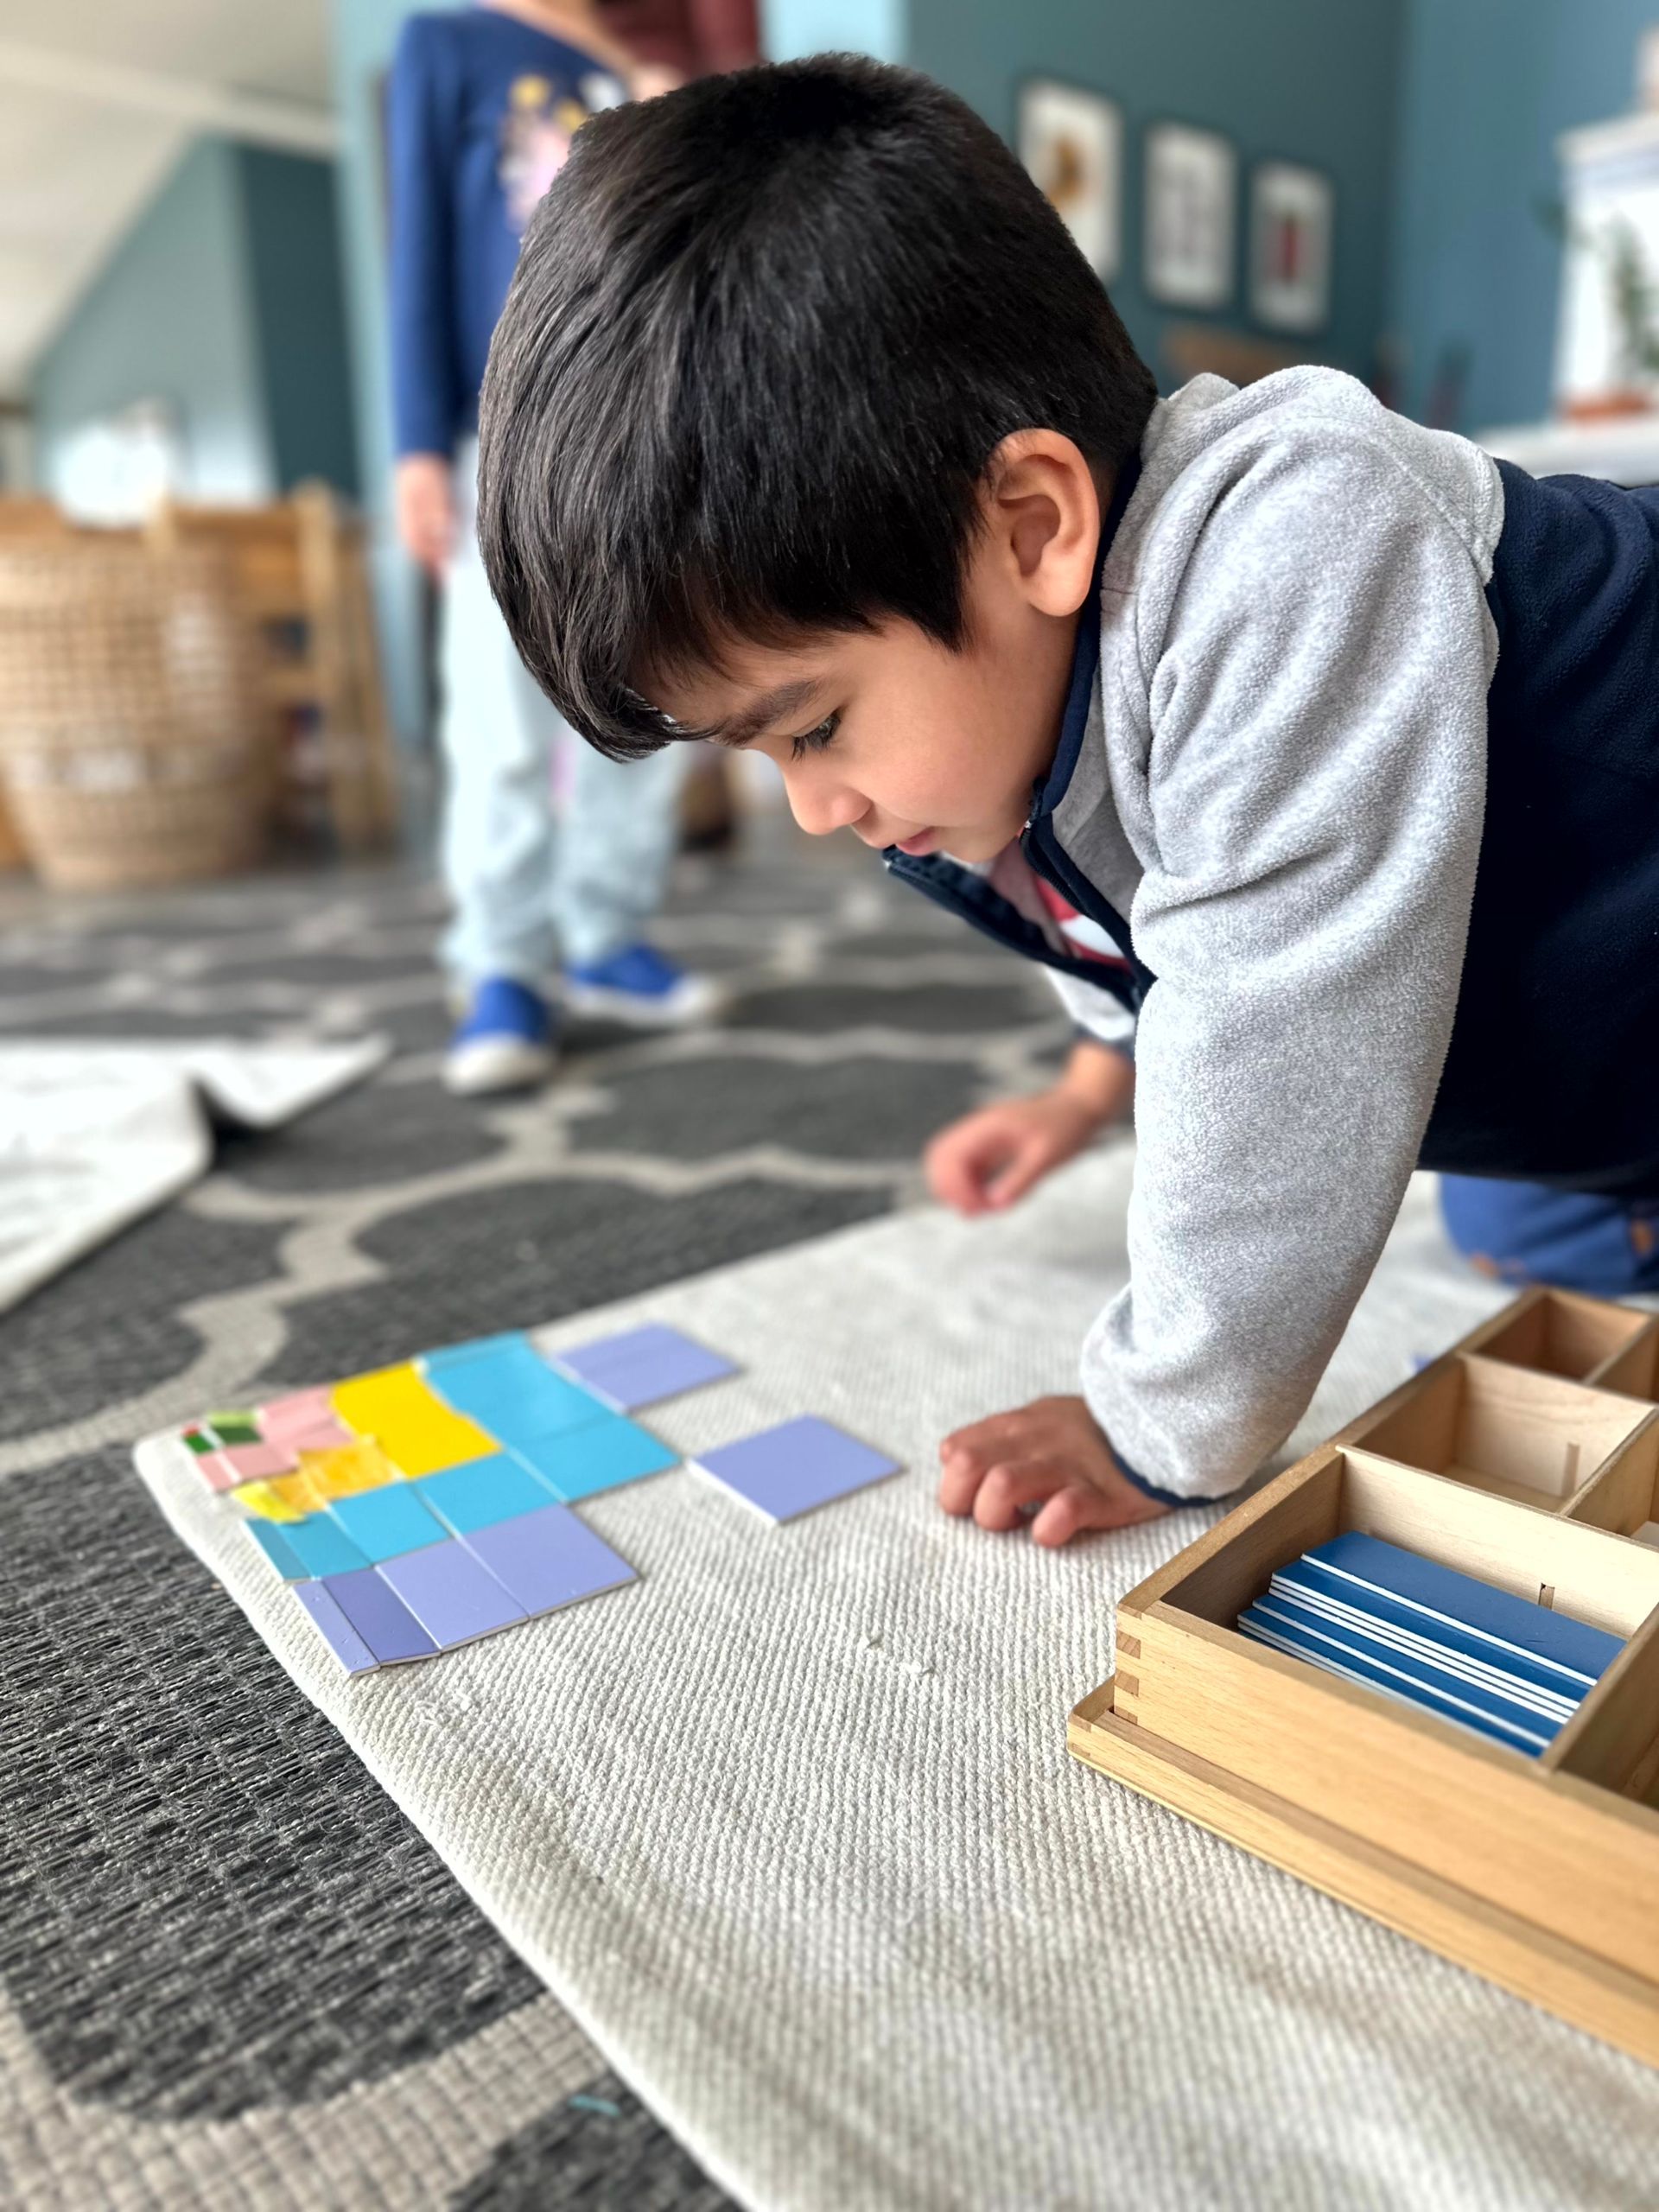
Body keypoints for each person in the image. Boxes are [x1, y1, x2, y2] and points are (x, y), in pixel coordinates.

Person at [471, 58, 1659, 1540]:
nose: (815, 812)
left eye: (817, 728)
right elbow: (1159, 926)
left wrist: (1157, 1420)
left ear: (1034, 526)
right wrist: (1093, 1089)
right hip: (1576, 1023)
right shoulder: (1034, 713)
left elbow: (1279, 1030)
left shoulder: (1293, 545)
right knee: (1510, 1209)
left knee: (1336, 1165)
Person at [387, 0, 725, 1096]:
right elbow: (419, 244)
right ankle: (503, 963)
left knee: (653, 693)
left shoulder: (640, 71)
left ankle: (606, 934)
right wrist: (416, 444)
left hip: (647, 432)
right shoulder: (449, 43)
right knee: (500, 715)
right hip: (503, 431)